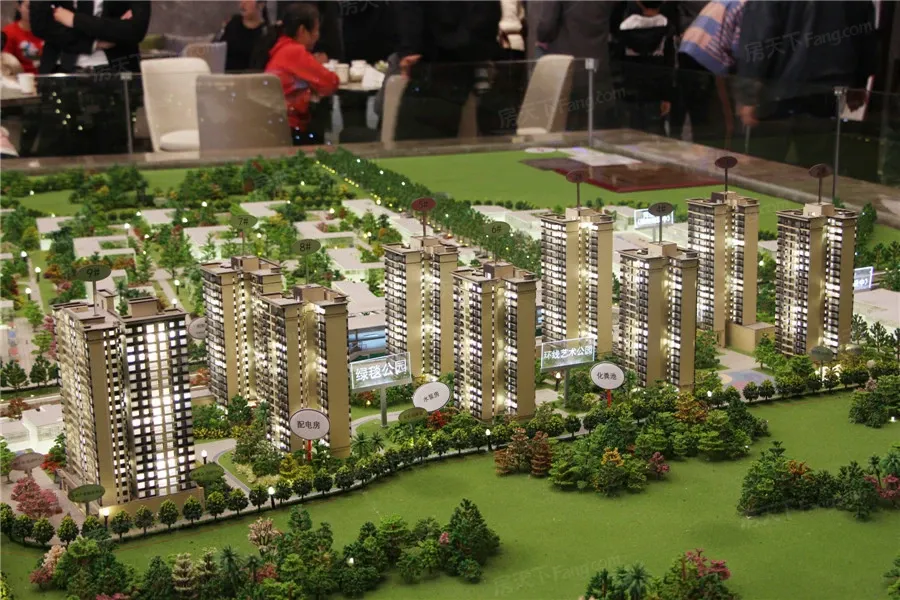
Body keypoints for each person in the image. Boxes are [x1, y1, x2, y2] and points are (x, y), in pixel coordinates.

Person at [735, 0, 875, 168]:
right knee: (816, 171)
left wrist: (748, 95)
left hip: (776, 93)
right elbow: (866, 38)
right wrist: (858, 83)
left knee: (762, 168)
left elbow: (758, 37)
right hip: (827, 93)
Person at [29, 0, 151, 156]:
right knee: (56, 150)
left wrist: (74, 20)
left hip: (115, 75)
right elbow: (41, 25)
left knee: (114, 150)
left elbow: (135, 30)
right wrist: (93, 43)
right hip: (61, 73)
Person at [394, 0, 503, 140]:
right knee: (488, 136)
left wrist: (409, 49)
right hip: (476, 63)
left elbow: (410, 14)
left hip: (431, 67)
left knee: (417, 142)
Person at [264, 2, 339, 145]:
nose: (317, 36)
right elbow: (331, 83)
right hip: (290, 129)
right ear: (302, 30)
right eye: (316, 30)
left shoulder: (281, 47)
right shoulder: (295, 52)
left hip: (276, 125)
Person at [535, 0, 617, 131]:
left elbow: (546, 27)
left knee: (564, 129)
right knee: (594, 128)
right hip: (598, 67)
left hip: (566, 68)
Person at [675, 0, 745, 148]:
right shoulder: (747, 5)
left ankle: (702, 156)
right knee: (721, 123)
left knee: (701, 121)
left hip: (689, 51)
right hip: (709, 58)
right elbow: (738, 47)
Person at [616, 0, 676, 136]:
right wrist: (667, 96)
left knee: (632, 133)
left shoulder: (625, 27)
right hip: (656, 90)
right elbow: (669, 65)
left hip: (630, 89)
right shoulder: (666, 27)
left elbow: (618, 61)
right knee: (655, 134)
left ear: (639, 3)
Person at [219, 0, 269, 72]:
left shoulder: (266, 33)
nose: (243, 3)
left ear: (261, 4)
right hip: (227, 75)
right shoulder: (233, 23)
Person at [2, 0, 43, 74]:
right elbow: (6, 62)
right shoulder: (9, 32)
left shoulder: (48, 31)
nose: (33, 11)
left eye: (37, 7)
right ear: (19, 7)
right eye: (29, 7)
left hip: (46, 77)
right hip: (20, 78)